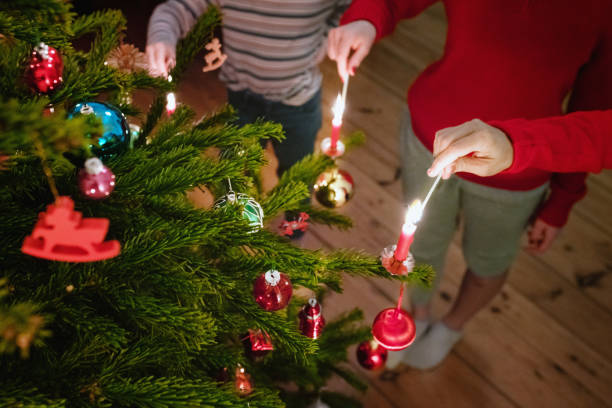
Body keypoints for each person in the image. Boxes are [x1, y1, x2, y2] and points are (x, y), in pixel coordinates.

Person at [328, 0, 612, 369]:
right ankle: (420, 314)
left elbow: (594, 110)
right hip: (429, 140)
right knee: (420, 247)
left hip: (520, 172)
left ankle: (452, 325)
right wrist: (369, 17)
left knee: (489, 260)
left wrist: (563, 198)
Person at [147, 0, 351, 175]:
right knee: (230, 180)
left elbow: (349, 9)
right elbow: (175, 9)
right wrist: (161, 37)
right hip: (241, 104)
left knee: (297, 180)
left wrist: (329, 37)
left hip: (300, 103)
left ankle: (296, 221)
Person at [428, 110, 612, 178]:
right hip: (432, 137)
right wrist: (514, 144)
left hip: (522, 179)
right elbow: (598, 135)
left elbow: (597, 139)